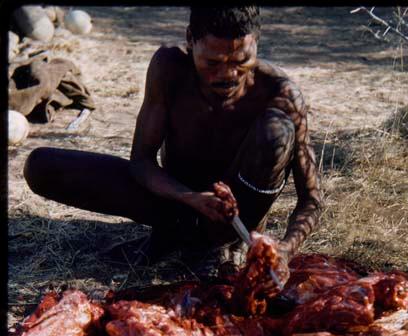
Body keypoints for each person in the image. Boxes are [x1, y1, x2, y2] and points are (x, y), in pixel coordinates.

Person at [24, 6, 323, 279]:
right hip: (174, 205)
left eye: (241, 60)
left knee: (277, 131)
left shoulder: (281, 94)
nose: (228, 74)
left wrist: (284, 249)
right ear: (190, 39)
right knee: (41, 166)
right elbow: (141, 162)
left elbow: (311, 200)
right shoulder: (169, 69)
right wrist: (189, 197)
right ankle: (175, 234)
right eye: (213, 62)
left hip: (237, 222)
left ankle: (224, 244)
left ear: (256, 42)